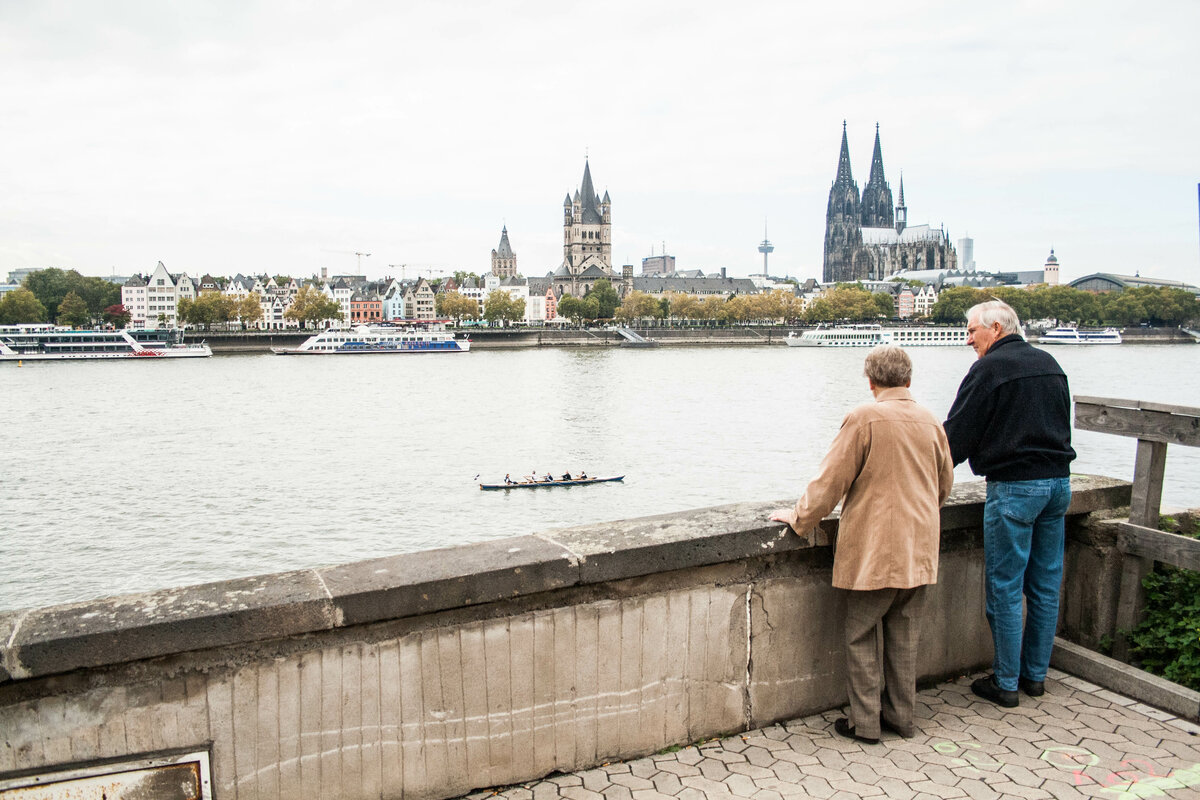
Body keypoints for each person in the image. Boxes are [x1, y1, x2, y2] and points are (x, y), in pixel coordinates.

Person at [770, 346, 953, 743]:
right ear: (908, 379)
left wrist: (799, 518)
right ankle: (902, 718)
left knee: (861, 634)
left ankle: (865, 724)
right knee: (905, 636)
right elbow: (944, 484)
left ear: (871, 382)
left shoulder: (864, 417)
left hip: (876, 549)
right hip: (919, 546)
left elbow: (829, 483)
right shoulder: (930, 420)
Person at [944, 300, 1075, 708]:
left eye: (971, 331)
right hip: (1058, 485)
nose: (968, 340)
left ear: (996, 328)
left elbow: (955, 438)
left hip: (1016, 487)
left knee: (1004, 586)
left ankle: (1005, 683)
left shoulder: (989, 369)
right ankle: (1035, 677)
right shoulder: (1050, 362)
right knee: (1045, 585)